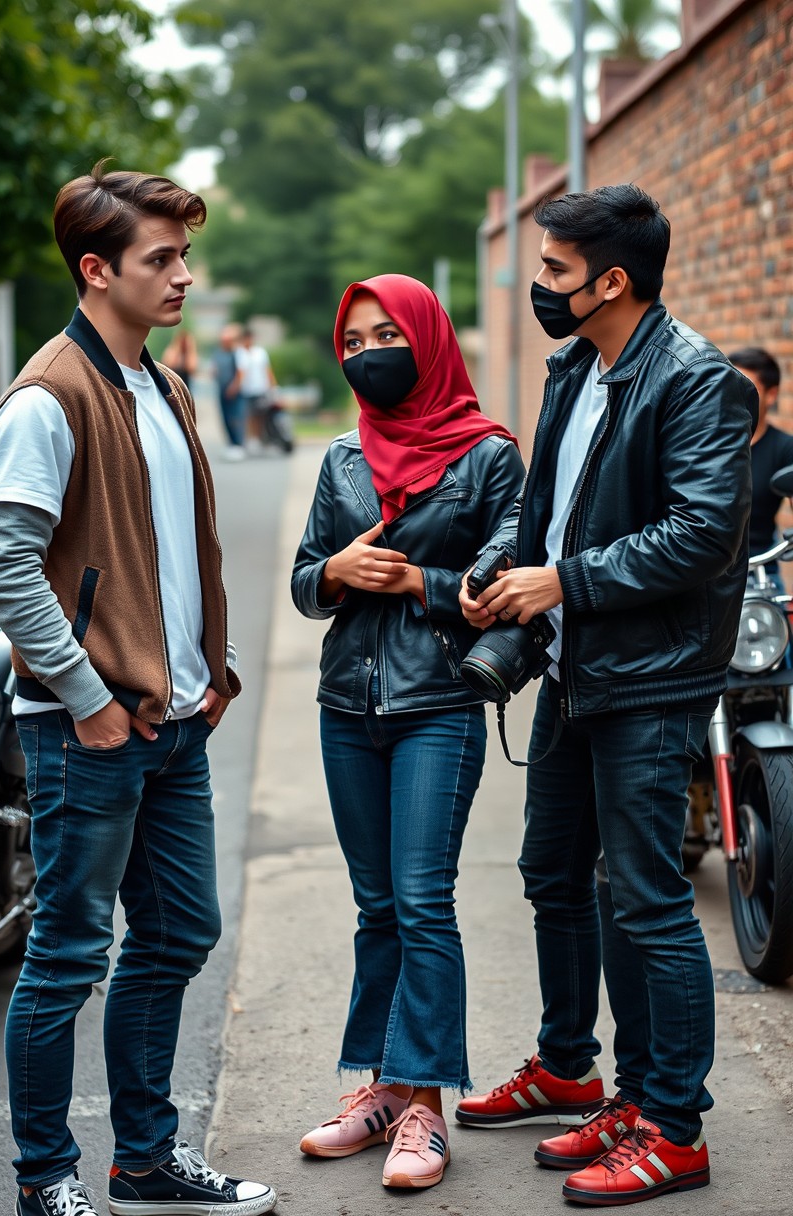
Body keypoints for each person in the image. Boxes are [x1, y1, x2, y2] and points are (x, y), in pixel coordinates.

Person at [0, 161, 276, 1216]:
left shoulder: (164, 383)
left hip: (175, 720)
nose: (184, 273)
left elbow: (173, 552)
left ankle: (145, 1159)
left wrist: (214, 667)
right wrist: (86, 693)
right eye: (163, 257)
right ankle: (43, 1178)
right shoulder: (47, 397)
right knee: (63, 956)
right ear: (97, 269)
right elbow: (2, 565)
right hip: (86, 729)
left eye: (185, 253)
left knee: (180, 930)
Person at [456, 185, 755, 1205]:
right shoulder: (574, 366)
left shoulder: (696, 380)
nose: (536, 285)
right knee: (553, 870)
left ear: (610, 280)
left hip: (652, 677)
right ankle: (589, 1077)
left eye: (551, 271)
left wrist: (564, 581)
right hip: (573, 666)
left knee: (648, 902)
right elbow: (547, 508)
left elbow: (702, 533)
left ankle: (673, 1124)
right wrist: (502, 565)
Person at [291, 273, 524, 1191]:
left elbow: (506, 586)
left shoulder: (490, 456)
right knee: (375, 904)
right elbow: (309, 583)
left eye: (386, 333)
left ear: (427, 336)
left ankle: (426, 1109)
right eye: (352, 341)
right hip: (346, 707)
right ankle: (382, 1087)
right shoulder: (343, 459)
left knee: (423, 900)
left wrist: (416, 584)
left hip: (437, 707)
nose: (367, 352)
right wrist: (340, 571)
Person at [729, 347, 793, 565]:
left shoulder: (785, 447)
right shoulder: (704, 440)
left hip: (760, 566)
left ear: (771, 395)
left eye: (746, 388)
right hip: (704, 569)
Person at [235, 327, 276, 453]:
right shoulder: (239, 353)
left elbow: (267, 370)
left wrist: (273, 386)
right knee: (248, 416)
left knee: (260, 415)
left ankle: (259, 438)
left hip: (260, 388)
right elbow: (240, 372)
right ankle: (250, 439)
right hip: (246, 390)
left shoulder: (260, 352)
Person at [213, 322, 247, 460]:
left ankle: (238, 445)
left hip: (233, 393)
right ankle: (231, 444)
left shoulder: (238, 353)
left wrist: (234, 387)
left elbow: (241, 373)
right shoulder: (219, 353)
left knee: (235, 418)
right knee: (225, 418)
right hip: (222, 391)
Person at [162, 327, 198, 392]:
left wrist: (189, 349)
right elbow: (168, 364)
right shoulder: (172, 350)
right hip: (172, 387)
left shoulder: (189, 354)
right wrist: (177, 348)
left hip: (185, 388)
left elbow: (192, 369)